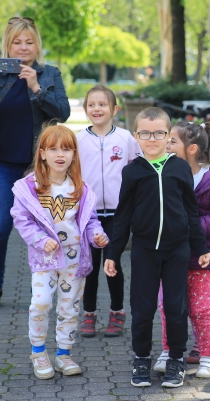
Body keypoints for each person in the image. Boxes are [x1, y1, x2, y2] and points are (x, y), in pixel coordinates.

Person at [0, 17, 71, 310]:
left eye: (29, 42)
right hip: (3, 165)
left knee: (49, 229)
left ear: (37, 45)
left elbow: (62, 113)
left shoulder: (49, 74)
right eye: (17, 42)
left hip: (40, 167)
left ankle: (53, 286)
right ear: (8, 45)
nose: (23, 47)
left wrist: (35, 87)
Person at [104, 107, 210, 389]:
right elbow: (122, 216)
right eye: (146, 133)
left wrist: (200, 246)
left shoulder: (180, 168)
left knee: (176, 307)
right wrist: (113, 253)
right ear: (136, 136)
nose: (152, 139)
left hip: (177, 251)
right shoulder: (132, 172)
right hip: (144, 251)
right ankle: (141, 358)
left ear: (168, 135)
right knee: (142, 308)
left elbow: (191, 210)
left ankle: (175, 359)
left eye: (159, 133)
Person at [10, 125, 109, 380]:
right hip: (44, 257)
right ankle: (39, 352)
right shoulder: (28, 187)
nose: (60, 154)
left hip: (75, 259)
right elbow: (22, 220)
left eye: (66, 149)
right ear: (42, 154)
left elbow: (90, 221)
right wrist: (41, 240)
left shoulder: (81, 188)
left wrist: (97, 236)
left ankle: (63, 353)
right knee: (40, 303)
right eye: (53, 149)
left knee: (69, 307)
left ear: (74, 154)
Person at [155, 121, 210, 378]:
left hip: (203, 258)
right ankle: (169, 351)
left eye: (172, 142)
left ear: (191, 149)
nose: (166, 146)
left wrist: (191, 227)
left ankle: (207, 355)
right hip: (169, 256)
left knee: (199, 309)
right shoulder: (162, 174)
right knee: (169, 306)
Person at [77, 85, 140, 338]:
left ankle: (117, 312)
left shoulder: (125, 138)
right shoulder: (79, 139)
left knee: (113, 264)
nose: (97, 109)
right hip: (88, 215)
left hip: (118, 214)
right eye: (92, 104)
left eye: (102, 104)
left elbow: (137, 171)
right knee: (89, 265)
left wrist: (136, 204)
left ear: (114, 109)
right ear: (85, 109)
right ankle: (89, 314)